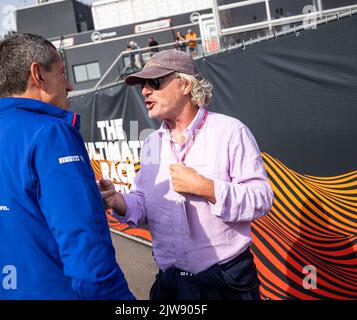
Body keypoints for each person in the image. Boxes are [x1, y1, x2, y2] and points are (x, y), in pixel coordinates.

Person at [0, 33, 134, 300]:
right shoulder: (50, 133)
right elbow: (84, 247)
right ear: (38, 75)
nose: (69, 85)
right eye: (62, 73)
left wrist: (79, 202)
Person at [99, 50, 274, 300]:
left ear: (184, 85)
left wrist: (207, 188)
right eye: (143, 85)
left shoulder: (230, 131)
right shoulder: (151, 144)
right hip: (171, 285)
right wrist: (117, 200)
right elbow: (144, 205)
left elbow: (262, 198)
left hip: (226, 283)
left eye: (154, 83)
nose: (145, 91)